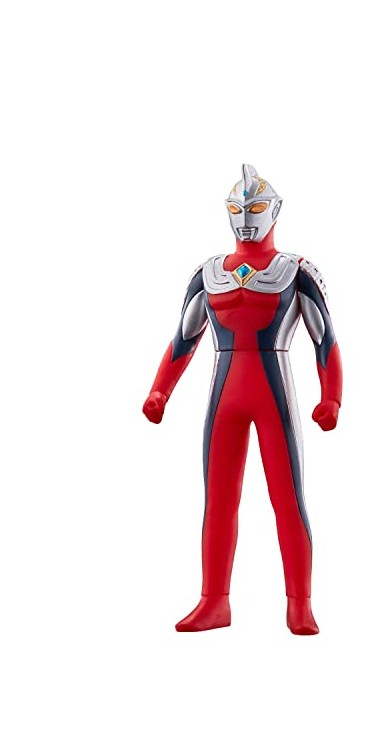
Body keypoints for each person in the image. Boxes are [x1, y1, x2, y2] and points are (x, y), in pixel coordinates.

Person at [142, 164, 343, 635]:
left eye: (255, 208)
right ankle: (214, 601)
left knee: (287, 499)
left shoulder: (295, 272)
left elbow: (325, 341)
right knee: (218, 501)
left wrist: (331, 397)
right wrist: (159, 391)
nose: (246, 217)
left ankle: (299, 604)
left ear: (275, 211)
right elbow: (183, 339)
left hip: (274, 393)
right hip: (225, 397)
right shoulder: (208, 274)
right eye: (237, 208)